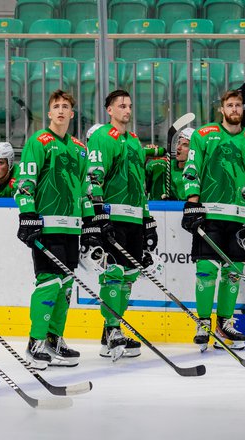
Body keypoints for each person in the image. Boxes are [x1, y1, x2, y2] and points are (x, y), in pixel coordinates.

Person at [181, 89, 245, 351]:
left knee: (233, 274)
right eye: (230, 105)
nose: (234, 109)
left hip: (240, 216)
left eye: (238, 105)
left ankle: (225, 323)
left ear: (243, 109)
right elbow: (192, 168)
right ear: (222, 109)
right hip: (210, 214)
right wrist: (192, 203)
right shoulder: (204, 135)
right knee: (206, 270)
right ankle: (204, 323)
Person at [15, 89, 88, 369]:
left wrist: (90, 221)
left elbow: (84, 188)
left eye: (65, 106)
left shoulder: (80, 148)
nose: (60, 110)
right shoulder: (39, 141)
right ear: (49, 113)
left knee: (66, 286)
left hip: (72, 228)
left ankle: (54, 339)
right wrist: (27, 214)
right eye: (55, 106)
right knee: (49, 283)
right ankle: (35, 342)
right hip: (46, 225)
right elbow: (26, 179)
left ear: (71, 113)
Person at [84, 89, 157, 361]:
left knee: (128, 277)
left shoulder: (135, 141)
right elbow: (94, 178)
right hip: (112, 215)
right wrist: (99, 214)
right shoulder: (103, 137)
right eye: (121, 106)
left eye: (129, 105)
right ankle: (113, 328)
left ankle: (110, 333)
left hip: (134, 217)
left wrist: (147, 218)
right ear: (110, 110)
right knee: (113, 273)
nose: (127, 110)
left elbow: (140, 184)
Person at [145, 127, 194, 201]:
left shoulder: (198, 172)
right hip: (155, 210)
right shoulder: (163, 165)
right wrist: (145, 158)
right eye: (178, 143)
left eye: (185, 145)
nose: (178, 147)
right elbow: (139, 184)